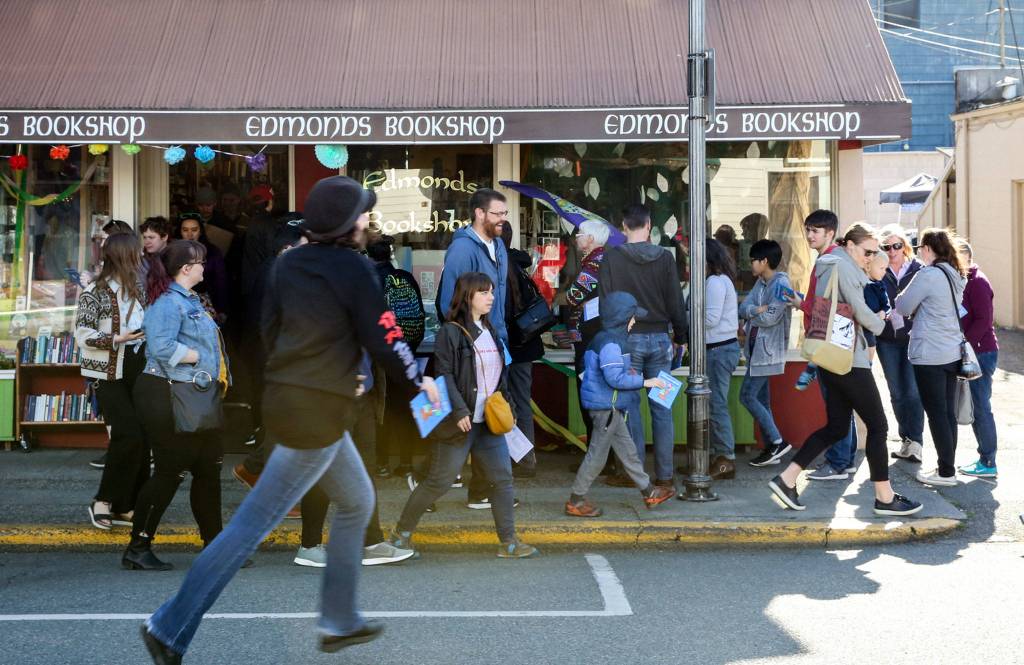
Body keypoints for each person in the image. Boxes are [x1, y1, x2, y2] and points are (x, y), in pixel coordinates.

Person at [140, 176, 438, 663]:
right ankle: (168, 626)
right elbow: (386, 335)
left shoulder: (287, 265)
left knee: (357, 500)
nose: (367, 220)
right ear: (346, 223)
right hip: (316, 411)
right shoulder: (356, 269)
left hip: (295, 402)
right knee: (250, 527)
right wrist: (418, 382)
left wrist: (333, 374)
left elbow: (270, 332)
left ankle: (339, 619)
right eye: (362, 213)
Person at [768, 223, 922, 517]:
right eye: (868, 251)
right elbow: (861, 310)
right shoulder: (845, 266)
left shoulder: (829, 263)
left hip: (832, 358)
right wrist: (882, 321)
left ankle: (786, 479)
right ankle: (884, 498)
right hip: (850, 360)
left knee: (837, 427)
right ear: (850, 244)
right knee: (878, 426)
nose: (871, 257)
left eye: (875, 252)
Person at [389, 272, 536, 559]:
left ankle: (508, 542)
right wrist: (458, 411)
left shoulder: (491, 330)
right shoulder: (451, 331)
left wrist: (510, 410)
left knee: (502, 479)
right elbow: (444, 374)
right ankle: (400, 535)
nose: (491, 297)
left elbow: (499, 377)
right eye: (484, 293)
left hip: (488, 424)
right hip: (461, 422)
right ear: (468, 296)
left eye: (492, 292)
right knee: (439, 482)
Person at [125, 240, 229, 572]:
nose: (204, 267)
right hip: (167, 393)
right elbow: (160, 346)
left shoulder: (190, 299)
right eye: (201, 262)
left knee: (208, 468)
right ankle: (138, 547)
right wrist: (196, 358)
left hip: (193, 394)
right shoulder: (168, 303)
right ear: (186, 268)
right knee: (171, 470)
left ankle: (215, 546)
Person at [598, 205, 687, 487]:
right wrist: (680, 337)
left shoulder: (612, 258)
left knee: (629, 406)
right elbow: (676, 301)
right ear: (649, 226)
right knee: (662, 407)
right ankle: (666, 475)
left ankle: (635, 473)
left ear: (624, 227)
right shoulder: (664, 258)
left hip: (628, 340)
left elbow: (606, 303)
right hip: (661, 339)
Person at [565, 291, 676, 517]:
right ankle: (575, 500)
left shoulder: (607, 339)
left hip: (611, 406)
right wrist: (647, 381)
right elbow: (614, 379)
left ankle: (649, 492)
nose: (635, 321)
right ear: (622, 318)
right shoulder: (611, 344)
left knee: (628, 452)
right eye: (632, 317)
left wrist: (630, 372)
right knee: (597, 456)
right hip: (607, 407)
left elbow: (611, 372)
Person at [436, 188, 510, 508]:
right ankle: (428, 480)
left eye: (504, 214)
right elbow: (447, 303)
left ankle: (483, 489)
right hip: (469, 346)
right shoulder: (461, 250)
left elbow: (500, 298)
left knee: (489, 415)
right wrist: (470, 337)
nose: (502, 220)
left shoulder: (499, 246)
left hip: (495, 340)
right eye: (497, 214)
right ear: (479, 213)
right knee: (465, 420)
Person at [76, 233, 149, 530]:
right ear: (125, 255)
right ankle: (103, 501)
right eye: (137, 252)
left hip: (135, 365)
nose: (142, 257)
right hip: (105, 370)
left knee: (142, 437)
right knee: (127, 434)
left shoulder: (137, 287)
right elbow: (82, 336)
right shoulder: (94, 291)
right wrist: (117, 338)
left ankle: (126, 504)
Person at [787, 210, 858, 481]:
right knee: (841, 404)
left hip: (829, 344)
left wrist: (799, 303)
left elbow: (823, 306)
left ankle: (838, 462)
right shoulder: (832, 258)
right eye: (808, 230)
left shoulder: (829, 260)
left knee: (835, 406)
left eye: (815, 231)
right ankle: (845, 460)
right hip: (835, 343)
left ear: (830, 232)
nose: (809, 236)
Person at [894, 228, 968, 487]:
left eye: (920, 249)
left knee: (937, 414)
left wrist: (904, 297)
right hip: (951, 351)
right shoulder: (956, 274)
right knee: (947, 413)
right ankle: (948, 467)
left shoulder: (928, 274)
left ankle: (945, 472)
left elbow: (902, 307)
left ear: (927, 249)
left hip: (930, 353)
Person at [365, 235, 424, 477]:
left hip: (381, 358)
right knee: (406, 407)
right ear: (390, 255)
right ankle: (407, 462)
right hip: (407, 352)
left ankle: (380, 463)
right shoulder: (406, 278)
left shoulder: (369, 280)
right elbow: (419, 317)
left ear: (369, 256)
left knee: (381, 409)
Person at [739, 239, 793, 467]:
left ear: (764, 261)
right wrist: (755, 310)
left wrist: (754, 312)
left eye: (753, 260)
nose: (750, 264)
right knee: (762, 399)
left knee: (747, 396)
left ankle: (778, 441)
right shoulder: (761, 283)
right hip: (754, 352)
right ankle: (772, 448)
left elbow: (771, 317)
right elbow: (742, 308)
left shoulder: (781, 285)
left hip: (768, 352)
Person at [875, 225, 925, 464]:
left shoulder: (918, 269)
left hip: (914, 338)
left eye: (896, 245)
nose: (892, 250)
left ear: (905, 246)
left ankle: (916, 442)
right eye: (887, 247)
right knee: (896, 393)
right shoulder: (878, 271)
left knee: (914, 392)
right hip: (887, 340)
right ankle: (905, 439)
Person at [500, 223, 542, 478]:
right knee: (522, 402)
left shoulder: (495, 264)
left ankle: (509, 457)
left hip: (505, 346)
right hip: (526, 345)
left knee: (502, 402)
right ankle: (527, 459)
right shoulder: (518, 262)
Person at [956, 239, 999, 478]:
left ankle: (988, 461)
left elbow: (984, 320)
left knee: (981, 407)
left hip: (980, 353)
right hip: (974, 351)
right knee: (977, 405)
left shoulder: (978, 282)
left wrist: (964, 345)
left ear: (964, 257)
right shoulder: (963, 280)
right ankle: (985, 458)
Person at [566, 220, 610, 447]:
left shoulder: (594, 264)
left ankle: (596, 453)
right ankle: (599, 453)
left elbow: (573, 296)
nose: (576, 238)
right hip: (598, 336)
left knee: (590, 394)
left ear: (591, 239)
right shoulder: (605, 261)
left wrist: (567, 296)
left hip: (590, 339)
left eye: (580, 235)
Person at [704, 239, 742, 479]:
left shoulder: (715, 282)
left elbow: (710, 319)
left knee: (716, 404)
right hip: (720, 348)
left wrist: (685, 318)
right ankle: (715, 456)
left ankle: (725, 457)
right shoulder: (721, 280)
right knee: (711, 403)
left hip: (718, 349)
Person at [176, 214, 230, 322]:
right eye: (185, 230)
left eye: (194, 230)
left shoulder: (212, 252)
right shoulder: (174, 252)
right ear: (180, 232)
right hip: (178, 304)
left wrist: (221, 309)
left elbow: (221, 281)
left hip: (206, 304)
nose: (190, 234)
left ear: (200, 231)